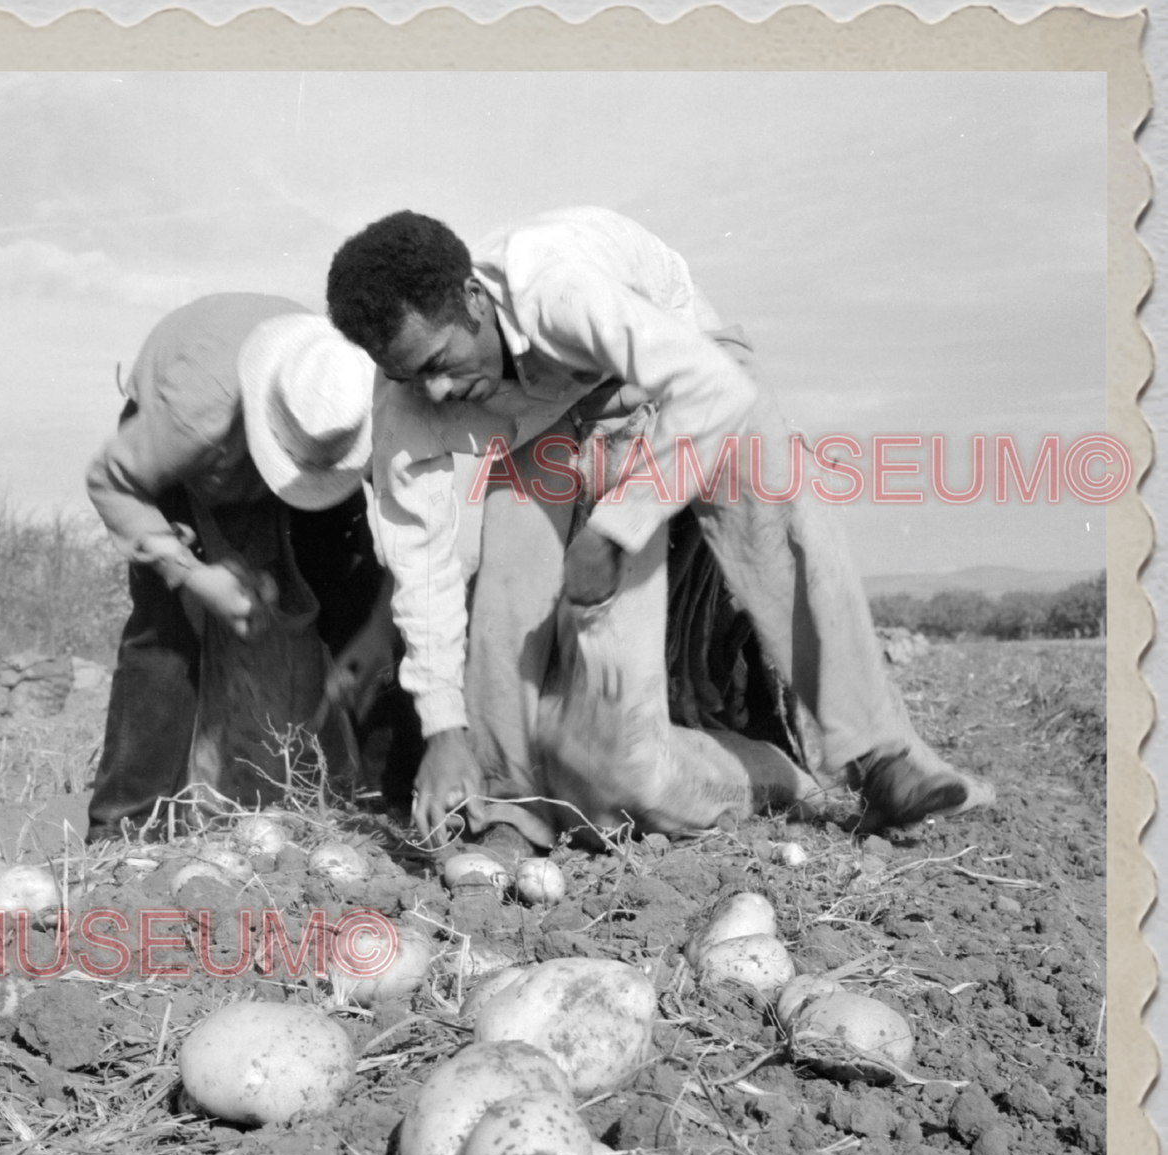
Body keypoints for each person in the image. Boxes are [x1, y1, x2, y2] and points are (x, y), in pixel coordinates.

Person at [325, 206, 991, 844]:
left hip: (690, 380)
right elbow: (423, 570)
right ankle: (511, 808)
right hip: (554, 425)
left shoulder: (557, 287)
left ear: (474, 298)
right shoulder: (406, 405)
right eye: (409, 376)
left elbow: (713, 389)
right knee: (504, 595)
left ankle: (880, 757)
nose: (434, 392)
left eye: (440, 363)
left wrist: (616, 528)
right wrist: (443, 729)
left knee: (778, 528)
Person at [84, 295, 410, 842]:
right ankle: (125, 826)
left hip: (312, 440)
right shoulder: (194, 415)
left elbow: (407, 524)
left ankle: (392, 806)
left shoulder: (362, 401)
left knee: (357, 598)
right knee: (167, 632)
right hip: (197, 446)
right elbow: (110, 482)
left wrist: (378, 626)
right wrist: (191, 574)